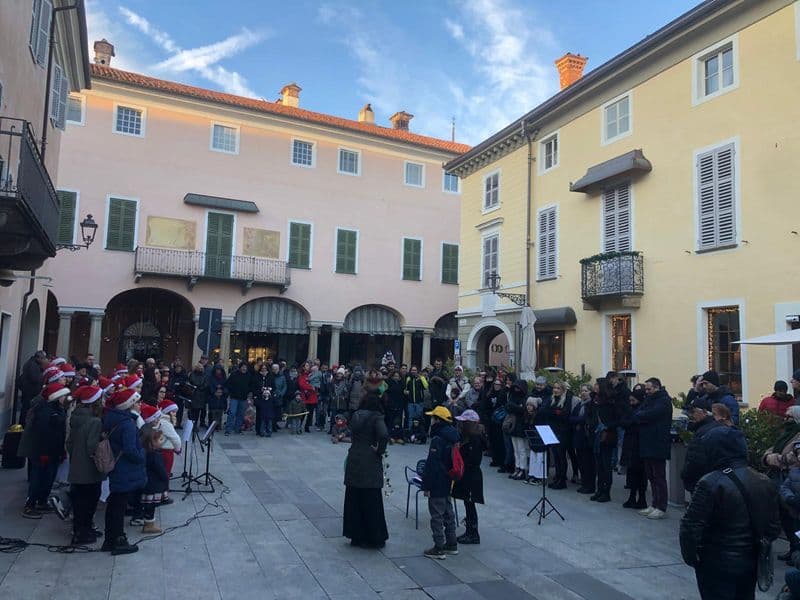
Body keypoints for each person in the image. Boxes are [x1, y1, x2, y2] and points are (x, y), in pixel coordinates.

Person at [680, 426, 781, 600]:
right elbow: (773, 527)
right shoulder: (764, 481)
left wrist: (692, 557)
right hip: (750, 560)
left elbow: (691, 527)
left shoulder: (711, 482)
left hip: (716, 561)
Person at [102, 388, 145, 555]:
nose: (140, 405)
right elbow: (130, 449)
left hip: (118, 468)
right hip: (124, 470)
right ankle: (119, 539)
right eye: (137, 402)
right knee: (118, 505)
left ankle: (110, 539)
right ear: (129, 405)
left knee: (114, 503)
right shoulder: (127, 424)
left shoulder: (116, 419)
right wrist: (143, 454)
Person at [342, 391, 389, 549]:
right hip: (369, 458)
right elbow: (383, 435)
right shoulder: (376, 417)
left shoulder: (356, 415)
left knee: (354, 497)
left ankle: (356, 535)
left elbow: (351, 430)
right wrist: (379, 451)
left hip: (355, 455)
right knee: (371, 499)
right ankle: (374, 537)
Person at [21, 383, 69, 519]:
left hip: (53, 450)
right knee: (38, 478)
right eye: (63, 395)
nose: (65, 398)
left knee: (48, 478)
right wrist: (42, 453)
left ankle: (42, 501)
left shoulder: (58, 409)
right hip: (43, 451)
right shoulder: (44, 411)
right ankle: (30, 505)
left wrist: (61, 451)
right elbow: (41, 433)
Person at [67, 385, 105, 544]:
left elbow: (69, 443)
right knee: (89, 501)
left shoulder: (75, 417)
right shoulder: (94, 421)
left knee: (79, 501)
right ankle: (84, 531)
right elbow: (92, 447)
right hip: (89, 469)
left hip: (76, 466)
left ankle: (79, 529)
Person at [421, 405, 460, 560]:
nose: (431, 420)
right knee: (448, 512)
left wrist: (426, 485)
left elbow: (432, 464)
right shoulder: (454, 435)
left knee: (436, 514)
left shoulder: (438, 438)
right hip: (448, 479)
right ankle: (452, 543)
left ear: (438, 420)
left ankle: (439, 547)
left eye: (433, 417)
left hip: (437, 480)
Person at [634, 378, 673, 519]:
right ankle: (654, 503)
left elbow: (649, 414)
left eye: (649, 389)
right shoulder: (649, 399)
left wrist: (642, 416)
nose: (647, 392)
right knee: (650, 475)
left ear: (657, 387)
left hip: (658, 443)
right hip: (647, 442)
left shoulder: (663, 401)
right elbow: (638, 412)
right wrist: (641, 416)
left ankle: (661, 506)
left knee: (659, 476)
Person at [587, 377, 625, 502]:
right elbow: (590, 415)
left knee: (606, 465)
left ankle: (606, 491)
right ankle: (599, 490)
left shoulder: (611, 402)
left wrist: (607, 426)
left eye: (597, 385)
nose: (594, 386)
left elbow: (619, 419)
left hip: (607, 435)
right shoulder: (594, 400)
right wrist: (591, 425)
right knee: (599, 465)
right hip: (596, 435)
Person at [452, 409, 486, 544]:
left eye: (464, 422)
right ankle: (469, 531)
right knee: (467, 503)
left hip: (472, 475)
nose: (461, 425)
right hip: (468, 474)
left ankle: (473, 533)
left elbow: (473, 459)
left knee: (470, 504)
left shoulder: (475, 439)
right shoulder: (468, 437)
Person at [681, 396, 723, 494]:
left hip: (703, 483)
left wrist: (685, 476)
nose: (690, 415)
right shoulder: (718, 427)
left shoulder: (702, 433)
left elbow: (695, 461)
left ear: (704, 412)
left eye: (693, 411)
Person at [540, 380, 573, 489]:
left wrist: (554, 412)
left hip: (562, 431)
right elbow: (544, 411)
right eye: (554, 388)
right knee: (556, 455)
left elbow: (564, 414)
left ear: (563, 390)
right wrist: (555, 412)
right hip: (552, 430)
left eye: (558, 388)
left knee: (561, 456)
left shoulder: (567, 399)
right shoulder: (551, 399)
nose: (555, 390)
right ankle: (557, 477)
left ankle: (562, 479)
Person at [620, 384, 648, 509]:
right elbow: (624, 421)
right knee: (631, 472)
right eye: (630, 401)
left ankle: (641, 498)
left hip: (639, 445)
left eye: (633, 401)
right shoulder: (631, 409)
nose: (631, 403)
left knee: (640, 473)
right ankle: (632, 497)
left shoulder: (643, 410)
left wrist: (629, 422)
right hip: (630, 443)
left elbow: (633, 422)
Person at [140, 426, 168, 534]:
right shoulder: (155, 455)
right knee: (151, 506)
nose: (162, 441)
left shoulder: (147, 453)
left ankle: (148, 522)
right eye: (160, 439)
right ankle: (149, 524)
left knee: (149, 506)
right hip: (154, 485)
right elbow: (161, 470)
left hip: (149, 483)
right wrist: (165, 478)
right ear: (152, 442)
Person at [763, 406, 800, 475]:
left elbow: (795, 458)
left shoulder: (797, 435)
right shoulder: (786, 434)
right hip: (776, 473)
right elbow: (774, 447)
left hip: (789, 477)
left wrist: (773, 458)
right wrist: (767, 456)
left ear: (797, 418)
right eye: (785, 416)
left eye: (789, 417)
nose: (785, 419)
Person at [16, 350, 48, 425]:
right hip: (29, 392)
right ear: (38, 358)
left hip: (30, 391)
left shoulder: (33, 364)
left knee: (26, 409)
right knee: (26, 410)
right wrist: (42, 374)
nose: (44, 360)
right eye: (43, 358)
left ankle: (23, 425)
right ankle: (23, 426)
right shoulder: (32, 365)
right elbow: (35, 379)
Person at [505, 381, 529, 481]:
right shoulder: (513, 397)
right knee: (516, 449)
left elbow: (523, 410)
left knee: (521, 449)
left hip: (521, 426)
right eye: (515, 388)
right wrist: (517, 407)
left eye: (518, 388)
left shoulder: (525, 398)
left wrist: (514, 407)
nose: (516, 390)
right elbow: (509, 407)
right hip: (513, 426)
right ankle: (517, 467)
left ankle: (523, 469)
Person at [157, 398, 182, 488]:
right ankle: (164, 490)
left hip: (162, 449)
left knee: (163, 471)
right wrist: (178, 449)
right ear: (168, 412)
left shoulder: (162, 421)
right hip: (166, 451)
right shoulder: (166, 423)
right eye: (173, 412)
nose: (175, 414)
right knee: (166, 471)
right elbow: (175, 438)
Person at [224, 362, 252, 435]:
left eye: (245, 367)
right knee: (232, 413)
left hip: (243, 398)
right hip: (234, 397)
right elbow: (228, 383)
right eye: (243, 367)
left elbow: (251, 385)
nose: (244, 368)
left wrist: (248, 391)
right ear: (240, 367)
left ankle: (238, 429)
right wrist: (232, 391)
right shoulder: (234, 374)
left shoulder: (249, 375)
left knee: (241, 414)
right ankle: (228, 429)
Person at [297, 361, 319, 433]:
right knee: (303, 413)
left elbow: (317, 383)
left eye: (308, 365)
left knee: (310, 414)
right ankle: (299, 426)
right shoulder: (302, 375)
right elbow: (302, 385)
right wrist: (310, 387)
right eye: (306, 365)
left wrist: (314, 387)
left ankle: (307, 426)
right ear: (303, 367)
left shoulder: (313, 374)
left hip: (312, 397)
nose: (308, 367)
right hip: (305, 397)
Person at [254, 363, 274, 437]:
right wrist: (259, 392)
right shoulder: (257, 377)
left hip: (268, 398)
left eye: (265, 368)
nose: (264, 369)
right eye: (262, 368)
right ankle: (258, 430)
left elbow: (273, 386)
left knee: (268, 415)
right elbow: (254, 387)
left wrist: (269, 390)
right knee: (259, 414)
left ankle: (267, 430)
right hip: (259, 398)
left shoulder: (270, 377)